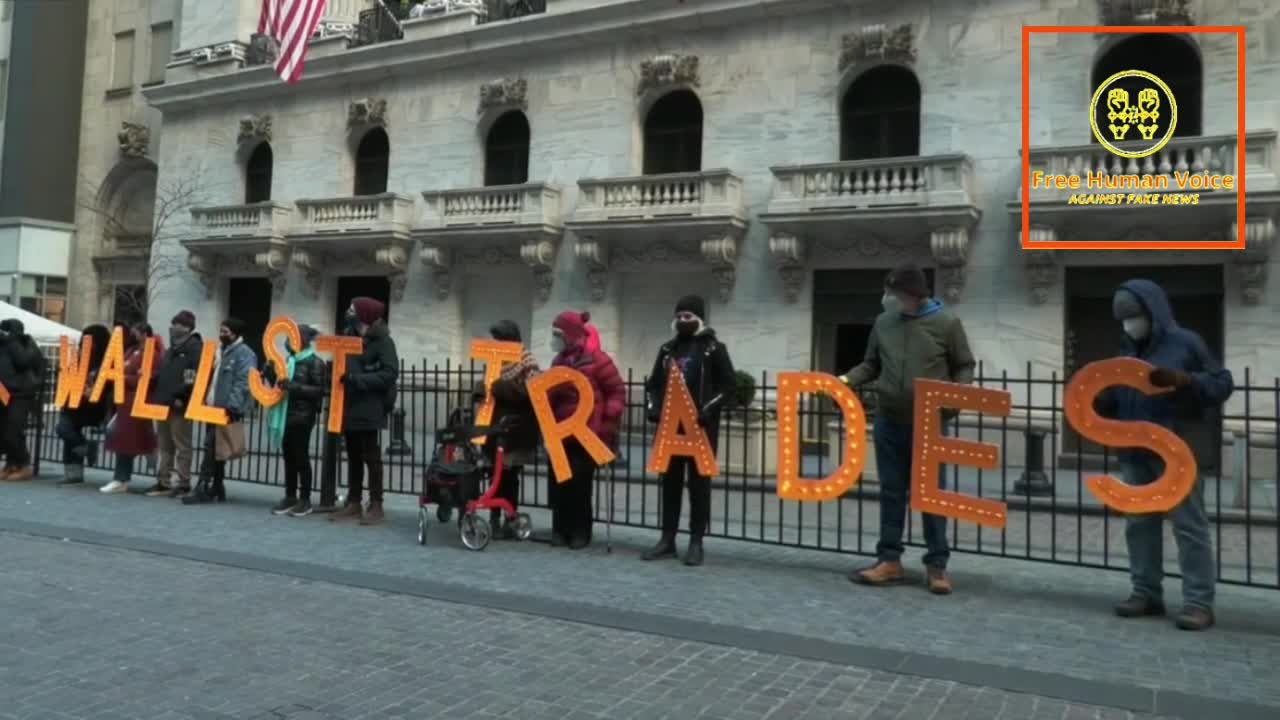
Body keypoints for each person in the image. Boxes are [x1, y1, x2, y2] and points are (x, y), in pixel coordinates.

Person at [1099, 279, 1233, 631]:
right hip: (1135, 450)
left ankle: (1198, 602)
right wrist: (1104, 400)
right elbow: (1119, 397)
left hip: (1177, 448)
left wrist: (1186, 380)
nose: (1130, 324)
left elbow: (1221, 383)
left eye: (1134, 316)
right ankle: (1145, 591)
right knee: (1139, 525)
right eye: (1124, 318)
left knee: (1189, 526)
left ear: (1151, 312)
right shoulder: (1126, 351)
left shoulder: (1186, 343)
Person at [838, 263, 975, 595]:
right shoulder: (884, 323)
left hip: (929, 423)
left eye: (895, 294)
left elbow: (964, 365)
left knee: (931, 497)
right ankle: (889, 560)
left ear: (914, 295)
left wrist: (952, 404)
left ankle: (937, 565)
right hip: (889, 420)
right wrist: (844, 381)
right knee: (891, 492)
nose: (889, 299)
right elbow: (871, 364)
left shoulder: (946, 323)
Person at [641, 295, 735, 566]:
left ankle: (696, 542)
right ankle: (667, 539)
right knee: (669, 485)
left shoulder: (713, 349)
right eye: (679, 316)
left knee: (699, 487)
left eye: (688, 316)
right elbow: (653, 385)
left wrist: (708, 408)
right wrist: (653, 407)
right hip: (671, 430)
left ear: (699, 318)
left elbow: (728, 386)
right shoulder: (667, 350)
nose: (683, 321)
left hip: (700, 431)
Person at [547, 310, 625, 550]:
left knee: (581, 484)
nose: (554, 339)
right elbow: (549, 397)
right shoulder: (557, 362)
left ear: (570, 335)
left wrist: (607, 417)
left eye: (557, 334)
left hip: (587, 432)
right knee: (560, 483)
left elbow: (617, 392)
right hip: (561, 432)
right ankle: (560, 529)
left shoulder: (598, 360)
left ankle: (581, 531)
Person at [330, 297, 398, 526]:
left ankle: (376, 503)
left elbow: (389, 373)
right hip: (349, 403)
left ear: (365, 314)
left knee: (371, 455)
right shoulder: (348, 335)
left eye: (353, 308)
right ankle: (354, 501)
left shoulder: (383, 341)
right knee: (353, 454)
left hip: (370, 404)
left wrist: (358, 380)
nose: (348, 311)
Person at [183, 318, 256, 505]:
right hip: (212, 406)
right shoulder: (219, 351)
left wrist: (233, 406)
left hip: (225, 409)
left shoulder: (244, 354)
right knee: (217, 449)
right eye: (221, 330)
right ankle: (217, 486)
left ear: (235, 333)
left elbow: (243, 382)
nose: (222, 334)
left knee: (211, 447)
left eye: (226, 331)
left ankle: (203, 485)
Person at [483, 319, 541, 538]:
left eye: (499, 340)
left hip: (517, 429)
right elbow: (489, 387)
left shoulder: (526, 360)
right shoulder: (496, 362)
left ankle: (510, 517)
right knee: (494, 475)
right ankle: (494, 516)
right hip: (495, 429)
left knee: (508, 476)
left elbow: (534, 393)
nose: (495, 344)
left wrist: (503, 387)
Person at [267, 324, 327, 517]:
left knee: (301, 457)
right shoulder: (288, 361)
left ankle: (305, 499)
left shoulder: (315, 362)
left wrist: (293, 386)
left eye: (293, 337)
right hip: (286, 414)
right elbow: (279, 385)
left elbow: (320, 391)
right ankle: (290, 496)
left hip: (302, 416)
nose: (288, 341)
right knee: (289, 458)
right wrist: (269, 372)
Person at [100, 324, 161, 494]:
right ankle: (123, 476)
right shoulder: (131, 351)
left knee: (125, 440)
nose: (133, 334)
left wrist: (124, 377)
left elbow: (146, 379)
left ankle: (122, 478)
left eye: (136, 331)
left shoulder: (152, 355)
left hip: (137, 402)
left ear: (144, 334)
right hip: (125, 403)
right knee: (120, 437)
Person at [148, 310, 203, 498]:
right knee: (165, 445)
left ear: (187, 327)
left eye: (177, 324)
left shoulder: (194, 347)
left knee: (182, 444)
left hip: (180, 403)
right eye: (173, 323)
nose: (173, 327)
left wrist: (182, 394)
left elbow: (192, 375)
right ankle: (164, 481)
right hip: (165, 402)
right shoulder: (172, 349)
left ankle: (183, 482)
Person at [56, 324, 113, 486]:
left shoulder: (106, 360)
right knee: (64, 429)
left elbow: (110, 384)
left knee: (68, 429)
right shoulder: (80, 356)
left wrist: (95, 391)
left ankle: (74, 471)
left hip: (94, 406)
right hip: (74, 403)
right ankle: (83, 451)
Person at [0, 319, 46, 482]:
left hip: (20, 393)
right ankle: (11, 464)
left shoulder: (22, 343)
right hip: (4, 391)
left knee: (13, 429)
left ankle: (24, 465)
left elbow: (23, 361)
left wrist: (12, 341)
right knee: (5, 430)